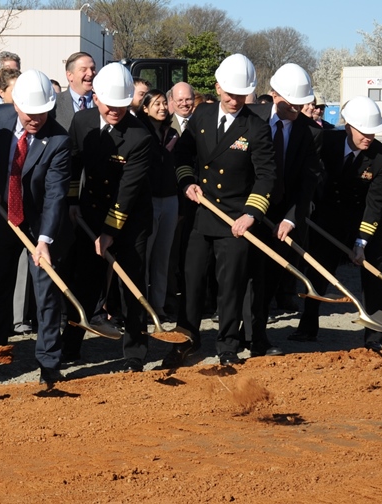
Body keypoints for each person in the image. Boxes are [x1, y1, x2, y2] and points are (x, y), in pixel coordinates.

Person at [164, 53, 276, 368]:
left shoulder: (256, 126)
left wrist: (251, 214)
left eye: (241, 95)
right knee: (192, 281)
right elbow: (183, 156)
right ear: (217, 88)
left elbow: (266, 174)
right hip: (201, 213)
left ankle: (227, 346)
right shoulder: (201, 116)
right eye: (229, 94)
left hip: (235, 219)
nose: (234, 100)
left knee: (230, 286)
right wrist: (187, 183)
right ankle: (186, 340)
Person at [0, 70, 71, 384]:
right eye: (30, 113)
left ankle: (49, 363)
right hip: (4, 216)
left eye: (43, 113)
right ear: (16, 105)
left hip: (42, 222)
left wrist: (44, 239)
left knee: (45, 292)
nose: (36, 119)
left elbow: (56, 193)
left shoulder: (58, 140)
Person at [61, 63, 158, 372]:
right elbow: (75, 164)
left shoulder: (140, 137)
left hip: (129, 219)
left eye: (121, 105)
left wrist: (109, 232)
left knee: (131, 282)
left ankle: (134, 352)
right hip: (90, 211)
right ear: (96, 98)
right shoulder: (82, 121)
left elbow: (128, 192)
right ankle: (71, 346)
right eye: (108, 105)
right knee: (83, 279)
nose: (114, 111)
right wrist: (73, 201)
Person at [289, 97, 382, 350]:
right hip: (328, 221)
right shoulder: (327, 142)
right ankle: (308, 327)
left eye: (373, 133)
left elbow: (375, 204)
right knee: (318, 272)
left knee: (371, 276)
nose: (368, 137)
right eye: (363, 132)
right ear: (348, 127)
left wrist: (361, 242)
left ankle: (374, 336)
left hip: (364, 223)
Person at [241, 63, 323, 357]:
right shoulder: (251, 118)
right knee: (242, 276)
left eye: (303, 104)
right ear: (275, 95)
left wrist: (291, 218)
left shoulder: (311, 134)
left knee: (268, 278)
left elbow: (307, 183)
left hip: (280, 217)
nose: (299, 109)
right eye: (293, 104)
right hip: (245, 210)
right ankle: (237, 334)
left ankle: (257, 337)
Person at [135, 89, 180, 317]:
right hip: (147, 200)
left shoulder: (173, 134)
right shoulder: (140, 133)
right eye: (156, 104)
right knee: (145, 254)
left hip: (170, 198)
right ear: (145, 108)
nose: (162, 107)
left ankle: (158, 305)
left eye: (164, 103)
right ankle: (142, 306)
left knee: (163, 256)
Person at [52, 52, 96, 131]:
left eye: (92, 69)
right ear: (69, 75)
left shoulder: (103, 102)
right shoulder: (54, 104)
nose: (90, 73)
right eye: (83, 70)